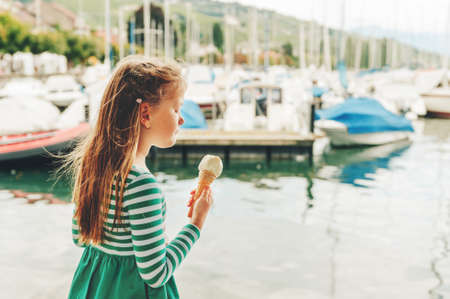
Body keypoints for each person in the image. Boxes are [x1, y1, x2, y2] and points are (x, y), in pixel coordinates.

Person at [66, 55, 213, 298]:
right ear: (146, 114)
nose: (182, 119)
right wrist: (195, 224)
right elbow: (155, 274)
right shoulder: (142, 185)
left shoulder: (93, 167)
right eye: (176, 109)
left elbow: (80, 238)